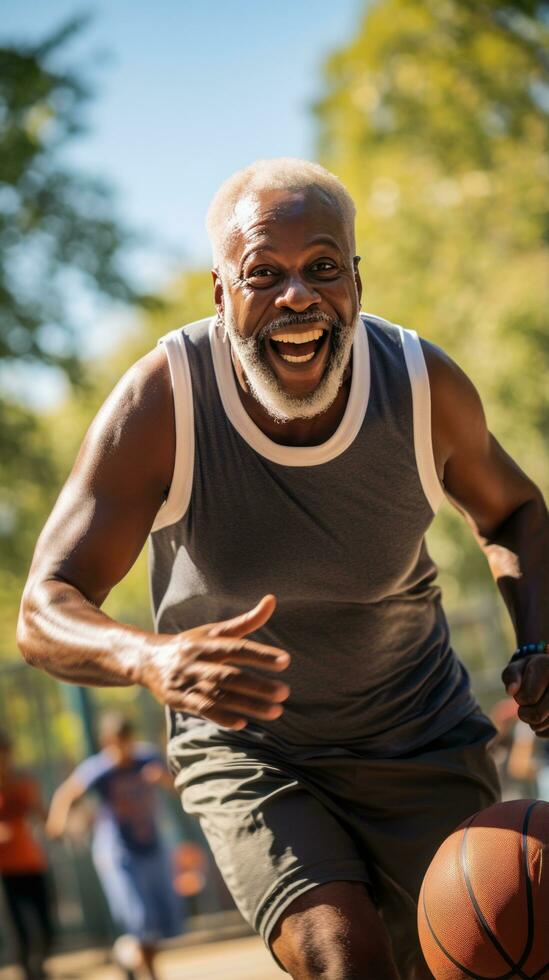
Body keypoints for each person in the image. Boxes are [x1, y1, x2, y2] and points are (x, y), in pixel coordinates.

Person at [17, 158, 549, 980]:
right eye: (263, 273)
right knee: (343, 956)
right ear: (221, 293)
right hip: (250, 750)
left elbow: (513, 509)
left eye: (322, 269)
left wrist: (539, 643)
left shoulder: (416, 383)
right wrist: (151, 657)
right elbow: (42, 607)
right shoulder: (165, 400)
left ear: (356, 285)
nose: (297, 295)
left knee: (489, 949)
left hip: (418, 733)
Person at [46, 712, 182, 980]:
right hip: (119, 853)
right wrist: (57, 823)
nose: (122, 748)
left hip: (151, 846)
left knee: (157, 921)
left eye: (126, 740)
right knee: (139, 918)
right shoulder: (99, 768)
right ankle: (150, 973)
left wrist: (162, 779)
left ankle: (127, 955)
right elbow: (67, 793)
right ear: (106, 742)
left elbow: (176, 785)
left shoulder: (147, 758)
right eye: (116, 742)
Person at [0, 729, 54, 980]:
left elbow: (41, 816)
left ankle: (39, 968)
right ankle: (29, 973)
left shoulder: (23, 783)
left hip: (32, 862)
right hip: (6, 871)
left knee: (46, 927)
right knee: (19, 931)